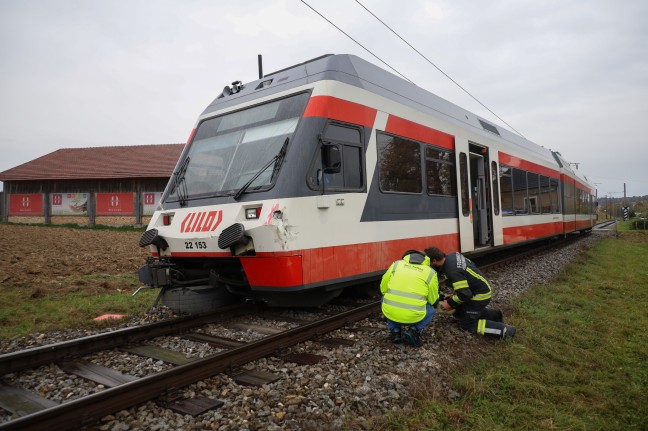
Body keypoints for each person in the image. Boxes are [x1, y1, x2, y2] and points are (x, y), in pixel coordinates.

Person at [424, 246, 516, 340]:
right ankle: (495, 315)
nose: (428, 267)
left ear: (434, 261)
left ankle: (504, 330)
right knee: (460, 311)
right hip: (479, 289)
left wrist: (449, 303)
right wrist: (457, 291)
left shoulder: (452, 271)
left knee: (467, 324)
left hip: (480, 295)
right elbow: (471, 266)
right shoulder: (453, 256)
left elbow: (465, 294)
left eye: (428, 264)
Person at [380, 250, 440, 347]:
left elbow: (383, 288)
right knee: (431, 308)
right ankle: (414, 331)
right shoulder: (430, 272)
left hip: (391, 312)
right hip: (415, 316)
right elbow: (432, 299)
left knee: (385, 298)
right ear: (425, 260)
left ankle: (395, 332)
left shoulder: (396, 265)